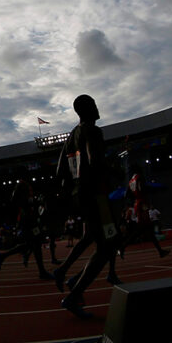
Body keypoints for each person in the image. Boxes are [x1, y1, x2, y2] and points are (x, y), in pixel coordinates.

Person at [56, 94, 118, 318]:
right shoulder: (92, 131)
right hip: (95, 193)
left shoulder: (72, 135)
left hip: (79, 195)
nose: (97, 107)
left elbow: (60, 171)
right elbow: (94, 161)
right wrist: (110, 167)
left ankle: (69, 276)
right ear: (88, 109)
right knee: (109, 245)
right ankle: (74, 294)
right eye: (94, 104)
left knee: (92, 236)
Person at [0, 175, 54, 280]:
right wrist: (36, 203)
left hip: (27, 221)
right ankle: (41, 272)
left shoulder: (21, 187)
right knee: (34, 245)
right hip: (29, 222)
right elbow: (26, 204)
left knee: (32, 245)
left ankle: (4, 256)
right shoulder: (23, 187)